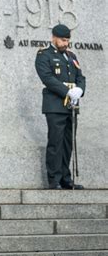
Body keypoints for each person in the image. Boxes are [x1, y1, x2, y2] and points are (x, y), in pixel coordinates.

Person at [35, 24, 86, 190]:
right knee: (55, 143)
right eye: (63, 40)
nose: (66, 43)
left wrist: (79, 90)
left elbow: (80, 77)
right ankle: (54, 180)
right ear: (54, 37)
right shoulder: (44, 55)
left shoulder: (71, 56)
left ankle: (66, 178)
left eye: (68, 40)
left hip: (71, 106)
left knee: (67, 143)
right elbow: (48, 78)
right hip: (55, 105)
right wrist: (67, 92)